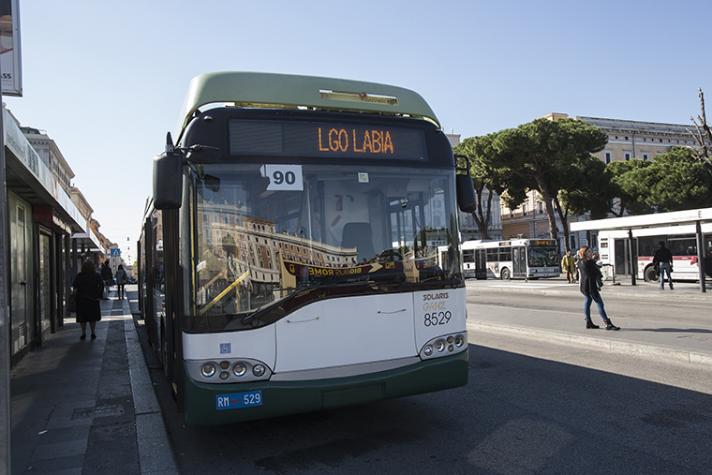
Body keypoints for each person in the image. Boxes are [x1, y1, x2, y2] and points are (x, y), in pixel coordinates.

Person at [577, 245, 620, 331]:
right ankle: (607, 323)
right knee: (600, 304)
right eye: (588, 251)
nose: (591, 252)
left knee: (587, 302)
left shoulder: (580, 262)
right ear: (584, 253)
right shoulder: (588, 263)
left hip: (584, 287)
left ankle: (588, 322)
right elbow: (593, 274)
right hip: (591, 287)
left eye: (590, 251)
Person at [73, 260, 104, 340]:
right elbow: (101, 285)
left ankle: (83, 333)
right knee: (92, 317)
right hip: (93, 299)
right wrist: (99, 295)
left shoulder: (79, 276)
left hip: (81, 299)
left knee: (82, 318)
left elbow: (75, 286)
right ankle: (93, 332)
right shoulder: (96, 275)